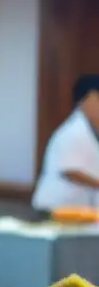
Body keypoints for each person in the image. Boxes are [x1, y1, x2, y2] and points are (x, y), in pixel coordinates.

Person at [33, 75, 99, 212]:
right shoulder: (73, 131)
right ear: (83, 102)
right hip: (54, 207)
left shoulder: (91, 130)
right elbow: (70, 171)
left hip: (79, 209)